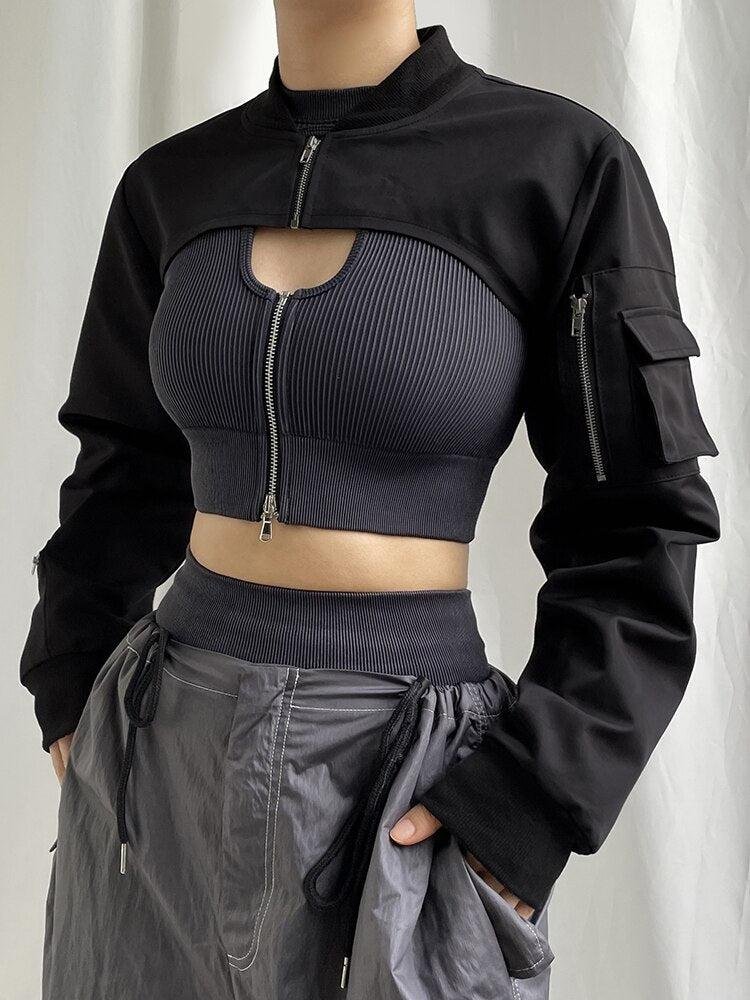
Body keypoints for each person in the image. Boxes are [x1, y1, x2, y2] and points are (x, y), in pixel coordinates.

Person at [20, 2, 720, 998]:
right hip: (161, 758)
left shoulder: (559, 164)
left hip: (405, 775)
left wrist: (528, 806)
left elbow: (640, 517)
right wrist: (69, 679)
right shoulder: (170, 185)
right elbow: (121, 463)